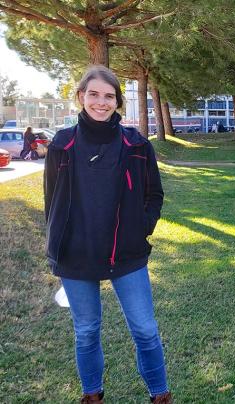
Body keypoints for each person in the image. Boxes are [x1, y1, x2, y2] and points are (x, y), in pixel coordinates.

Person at [43, 65, 171, 404]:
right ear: (81, 97)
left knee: (145, 331)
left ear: (117, 102)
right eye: (93, 94)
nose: (101, 102)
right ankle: (92, 396)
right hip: (76, 256)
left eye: (109, 96)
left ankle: (160, 395)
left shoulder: (136, 144)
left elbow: (153, 195)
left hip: (126, 254)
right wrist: (56, 244)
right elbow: (52, 200)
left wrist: (140, 229)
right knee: (86, 332)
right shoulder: (62, 144)